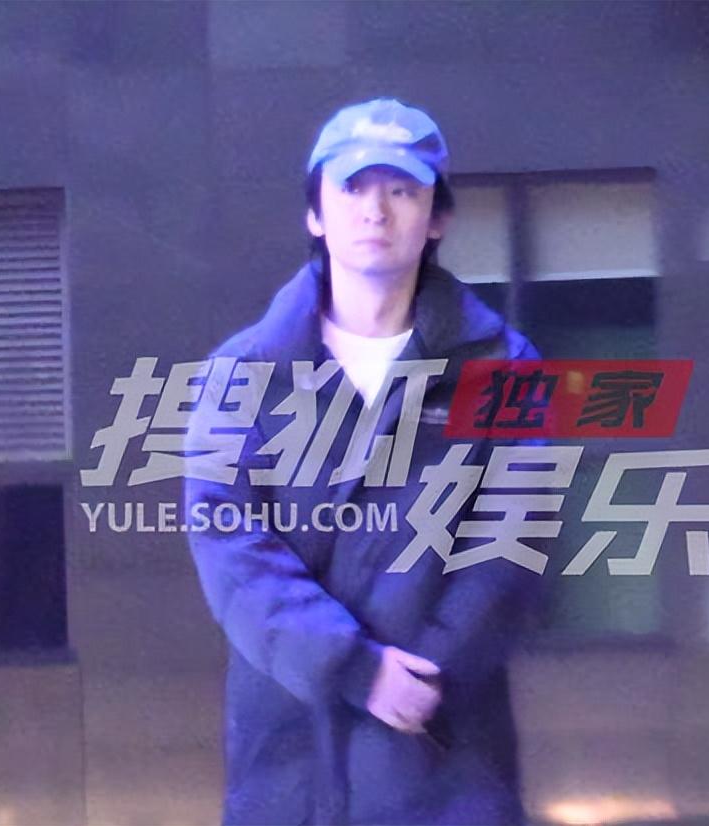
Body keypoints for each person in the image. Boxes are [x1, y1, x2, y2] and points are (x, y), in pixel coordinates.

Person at [184, 98, 546, 825]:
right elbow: (227, 540)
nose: (375, 210)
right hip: (288, 761)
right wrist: (352, 667)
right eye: (351, 186)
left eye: (402, 189)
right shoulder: (242, 371)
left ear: (437, 218)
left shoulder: (502, 367)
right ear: (314, 213)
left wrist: (421, 675)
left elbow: (515, 538)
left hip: (442, 752)